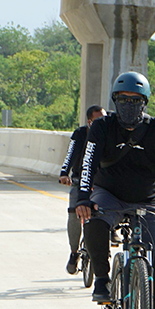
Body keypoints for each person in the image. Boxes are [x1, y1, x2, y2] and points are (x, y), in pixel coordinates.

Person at [76, 72, 155, 309]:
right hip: (109, 193)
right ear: (114, 101)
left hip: (149, 199)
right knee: (94, 219)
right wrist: (83, 198)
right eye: (123, 100)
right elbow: (89, 163)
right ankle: (102, 279)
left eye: (135, 100)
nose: (129, 105)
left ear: (145, 102)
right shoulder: (101, 127)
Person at [59, 105, 106, 274]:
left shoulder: (110, 133)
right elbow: (70, 153)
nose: (102, 123)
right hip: (81, 180)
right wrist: (64, 173)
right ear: (89, 122)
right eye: (97, 120)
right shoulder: (80, 134)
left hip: (102, 183)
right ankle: (74, 252)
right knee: (74, 211)